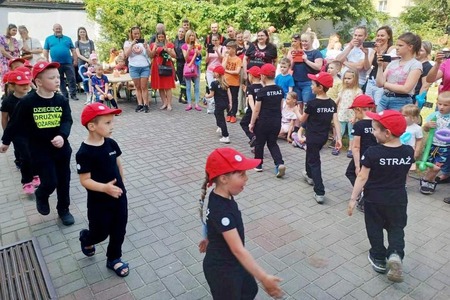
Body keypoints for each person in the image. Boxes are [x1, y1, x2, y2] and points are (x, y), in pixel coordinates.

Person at [199, 147, 283, 299]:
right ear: (224, 178)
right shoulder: (222, 211)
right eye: (241, 174)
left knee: (250, 290)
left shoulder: (220, 195)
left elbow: (211, 221)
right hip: (223, 271)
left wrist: (208, 237)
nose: (246, 178)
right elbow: (238, 249)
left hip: (233, 262)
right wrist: (264, 278)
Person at [0, 61, 75, 226]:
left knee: (64, 180)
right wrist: (5, 141)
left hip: (62, 149)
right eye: (52, 77)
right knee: (50, 181)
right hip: (40, 150)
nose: (57, 80)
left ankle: (64, 210)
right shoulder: (28, 102)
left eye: (58, 77)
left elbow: (67, 120)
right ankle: (42, 194)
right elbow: (15, 123)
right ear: (39, 82)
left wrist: (62, 136)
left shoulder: (61, 100)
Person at [348, 110, 414, 283]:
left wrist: (353, 199)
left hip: (374, 199)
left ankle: (378, 258)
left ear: (387, 133)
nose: (373, 132)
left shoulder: (372, 152)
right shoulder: (408, 151)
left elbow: (362, 177)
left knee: (375, 228)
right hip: (398, 199)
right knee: (396, 228)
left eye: (375, 130)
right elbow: (407, 172)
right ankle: (395, 254)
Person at [76, 102, 129, 278]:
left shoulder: (111, 143)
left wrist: (122, 182)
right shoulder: (84, 153)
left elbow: (117, 163)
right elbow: (85, 180)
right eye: (107, 123)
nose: (112, 126)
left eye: (112, 121)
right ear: (92, 126)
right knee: (100, 233)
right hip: (99, 202)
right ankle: (87, 238)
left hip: (119, 197)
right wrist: (104, 188)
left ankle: (114, 258)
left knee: (119, 230)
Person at [293, 72, 342, 204]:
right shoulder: (332, 103)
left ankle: (319, 191)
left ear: (320, 87)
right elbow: (336, 121)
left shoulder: (312, 103)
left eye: (313, 84)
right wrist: (339, 138)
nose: (311, 86)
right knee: (311, 154)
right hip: (323, 138)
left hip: (313, 137)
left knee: (315, 162)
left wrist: (295, 109)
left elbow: (302, 119)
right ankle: (309, 175)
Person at [0, 70, 39, 194]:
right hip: (18, 134)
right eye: (21, 84)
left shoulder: (32, 97)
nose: (25, 86)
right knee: (25, 156)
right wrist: (7, 135)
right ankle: (27, 181)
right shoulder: (7, 101)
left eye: (26, 83)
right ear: (12, 86)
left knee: (35, 154)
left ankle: (36, 174)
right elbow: (4, 118)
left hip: (33, 132)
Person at [249, 64, 286, 177]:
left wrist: (252, 123)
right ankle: (279, 163)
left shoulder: (262, 91)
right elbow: (280, 106)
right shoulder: (280, 90)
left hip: (263, 121)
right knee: (272, 143)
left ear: (263, 76)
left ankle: (258, 164)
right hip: (276, 121)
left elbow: (256, 110)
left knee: (260, 143)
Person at [345, 95, 377, 212]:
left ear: (359, 109)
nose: (355, 114)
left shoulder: (359, 125)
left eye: (354, 111)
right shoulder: (377, 123)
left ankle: (362, 193)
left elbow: (356, 146)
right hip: (375, 155)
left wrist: (357, 165)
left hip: (363, 156)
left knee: (350, 172)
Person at [376, 32, 422, 112]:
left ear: (410, 47)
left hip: (401, 101)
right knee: (378, 123)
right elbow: (379, 83)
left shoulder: (415, 65)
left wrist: (385, 84)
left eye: (400, 45)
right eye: (397, 45)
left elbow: (406, 89)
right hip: (384, 98)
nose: (396, 48)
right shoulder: (393, 62)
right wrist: (380, 66)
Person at [419, 91, 450, 195]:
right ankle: (430, 181)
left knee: (437, 167)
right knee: (430, 165)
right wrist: (427, 125)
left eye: (445, 105)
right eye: (440, 104)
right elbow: (426, 129)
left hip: (445, 147)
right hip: (432, 145)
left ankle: (426, 180)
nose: (441, 107)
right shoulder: (434, 115)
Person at [289, 32, 323, 111]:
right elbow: (290, 67)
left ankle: (306, 122)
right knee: (298, 103)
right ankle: (300, 121)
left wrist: (306, 60)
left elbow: (318, 67)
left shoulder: (316, 53)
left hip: (309, 82)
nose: (303, 43)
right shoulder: (298, 51)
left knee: (307, 104)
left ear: (311, 41)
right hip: (296, 82)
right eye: (302, 41)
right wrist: (293, 59)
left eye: (306, 41)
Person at [43, 24, 79, 100]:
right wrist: (46, 60)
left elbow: (73, 50)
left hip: (68, 62)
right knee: (60, 79)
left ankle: (73, 94)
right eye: (56, 29)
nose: (58, 30)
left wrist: (75, 60)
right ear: (53, 30)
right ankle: (64, 95)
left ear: (62, 29)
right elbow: (46, 50)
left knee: (72, 78)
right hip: (56, 64)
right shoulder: (48, 39)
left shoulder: (68, 39)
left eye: (59, 28)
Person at [334, 69, 362, 157]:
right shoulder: (343, 89)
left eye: (349, 78)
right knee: (340, 131)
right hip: (341, 114)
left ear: (355, 79)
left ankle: (350, 148)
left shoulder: (358, 91)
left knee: (351, 133)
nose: (346, 80)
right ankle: (337, 146)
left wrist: (355, 117)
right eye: (345, 78)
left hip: (351, 115)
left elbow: (358, 106)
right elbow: (337, 101)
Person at [365, 26, 395, 106]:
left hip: (382, 81)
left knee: (378, 105)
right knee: (368, 105)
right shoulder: (375, 49)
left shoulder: (391, 49)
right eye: (378, 35)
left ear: (389, 36)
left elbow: (387, 67)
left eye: (382, 35)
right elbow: (367, 66)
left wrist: (379, 53)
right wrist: (366, 53)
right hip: (371, 80)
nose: (379, 38)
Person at [123, 26, 151, 113]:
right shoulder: (127, 43)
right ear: (131, 34)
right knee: (137, 87)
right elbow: (126, 55)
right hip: (134, 67)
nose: (136, 35)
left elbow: (150, 55)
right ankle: (140, 104)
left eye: (138, 33)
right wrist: (132, 44)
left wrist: (146, 47)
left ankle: (146, 104)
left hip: (144, 66)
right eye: (135, 34)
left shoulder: (143, 43)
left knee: (144, 86)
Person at [150, 30, 176, 111]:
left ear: (165, 36)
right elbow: (151, 55)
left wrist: (168, 50)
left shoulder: (169, 44)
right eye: (159, 37)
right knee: (160, 86)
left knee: (167, 86)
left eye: (162, 37)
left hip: (166, 65)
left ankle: (169, 104)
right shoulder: (153, 44)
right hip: (156, 66)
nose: (161, 39)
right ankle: (164, 103)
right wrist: (154, 49)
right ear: (157, 37)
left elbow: (174, 55)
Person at [204, 65, 231, 143]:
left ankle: (226, 136)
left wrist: (206, 96)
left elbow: (211, 94)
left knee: (222, 119)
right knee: (216, 113)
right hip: (225, 103)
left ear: (217, 74)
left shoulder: (214, 83)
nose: (213, 73)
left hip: (219, 104)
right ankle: (219, 126)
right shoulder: (225, 82)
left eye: (214, 72)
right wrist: (230, 103)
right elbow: (229, 93)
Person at [240, 66, 261, 148]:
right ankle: (257, 147)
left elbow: (251, 101)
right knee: (256, 127)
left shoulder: (250, 87)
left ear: (251, 76)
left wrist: (254, 112)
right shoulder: (262, 86)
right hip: (260, 110)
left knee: (243, 123)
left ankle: (252, 137)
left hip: (252, 111)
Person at [182, 30, 202, 111]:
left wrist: (198, 53)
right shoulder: (184, 46)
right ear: (187, 37)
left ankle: (197, 103)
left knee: (197, 86)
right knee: (188, 87)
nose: (191, 37)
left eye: (193, 35)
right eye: (190, 35)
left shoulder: (197, 45)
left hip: (196, 67)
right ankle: (189, 103)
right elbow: (185, 58)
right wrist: (189, 50)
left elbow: (200, 58)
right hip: (188, 67)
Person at [223, 41, 242, 123]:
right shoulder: (225, 58)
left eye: (229, 48)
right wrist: (226, 57)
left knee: (234, 98)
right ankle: (228, 113)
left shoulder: (238, 59)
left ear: (234, 49)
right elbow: (222, 68)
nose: (227, 50)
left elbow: (237, 71)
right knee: (226, 99)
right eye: (227, 48)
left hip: (234, 82)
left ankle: (233, 114)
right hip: (226, 81)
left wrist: (226, 71)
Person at [400, 104, 422, 170]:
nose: (401, 117)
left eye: (405, 116)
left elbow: (419, 140)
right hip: (398, 148)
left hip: (410, 150)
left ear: (413, 118)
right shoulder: (398, 125)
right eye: (401, 115)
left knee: (407, 168)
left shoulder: (417, 128)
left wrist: (417, 151)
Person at [0, 24, 20, 93]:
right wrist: (12, 58)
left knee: (14, 76)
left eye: (16, 31)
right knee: (5, 76)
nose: (15, 32)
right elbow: (2, 51)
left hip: (14, 62)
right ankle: (5, 93)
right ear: (9, 30)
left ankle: (13, 92)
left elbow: (17, 51)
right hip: (5, 61)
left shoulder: (14, 40)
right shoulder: (2, 37)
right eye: (13, 30)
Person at [174, 27, 187, 104]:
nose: (181, 33)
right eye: (180, 31)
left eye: (182, 32)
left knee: (184, 81)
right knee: (181, 79)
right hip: (178, 63)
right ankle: (181, 95)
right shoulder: (175, 41)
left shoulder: (186, 41)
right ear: (177, 32)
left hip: (185, 63)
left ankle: (183, 96)